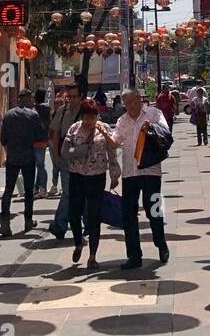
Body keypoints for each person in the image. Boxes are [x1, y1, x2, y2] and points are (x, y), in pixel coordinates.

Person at [113, 88, 171, 270]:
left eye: (131, 102)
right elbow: (115, 141)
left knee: (154, 209)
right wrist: (104, 134)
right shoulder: (122, 120)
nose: (129, 106)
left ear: (139, 99)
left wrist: (150, 127)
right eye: (126, 104)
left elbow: (165, 132)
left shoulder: (154, 113)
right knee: (128, 215)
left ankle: (161, 244)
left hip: (151, 170)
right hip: (130, 173)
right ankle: (134, 255)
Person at [61, 100, 120, 270]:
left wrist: (114, 175)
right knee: (74, 213)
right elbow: (65, 153)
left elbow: (112, 153)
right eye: (86, 118)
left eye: (93, 118)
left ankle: (93, 256)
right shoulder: (74, 129)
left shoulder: (104, 129)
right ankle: (79, 242)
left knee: (94, 216)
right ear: (82, 117)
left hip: (97, 177)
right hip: (77, 176)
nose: (90, 122)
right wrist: (80, 151)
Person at [0, 90, 44, 236]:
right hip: (28, 156)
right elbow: (40, 135)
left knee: (8, 190)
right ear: (28, 98)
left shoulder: (8, 115)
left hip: (12, 156)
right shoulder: (33, 115)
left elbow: (3, 138)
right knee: (29, 190)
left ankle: (5, 222)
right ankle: (28, 220)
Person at [48, 82, 83, 239]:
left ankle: (88, 223)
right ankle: (60, 225)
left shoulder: (86, 111)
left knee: (84, 192)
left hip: (83, 159)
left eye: (75, 97)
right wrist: (55, 156)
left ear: (80, 96)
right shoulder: (62, 112)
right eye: (69, 97)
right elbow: (55, 134)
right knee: (68, 192)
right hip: (65, 158)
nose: (72, 100)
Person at [33, 88, 52, 195]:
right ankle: (37, 187)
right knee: (40, 165)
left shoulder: (34, 109)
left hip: (34, 140)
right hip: (44, 140)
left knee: (38, 165)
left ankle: (42, 188)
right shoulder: (47, 109)